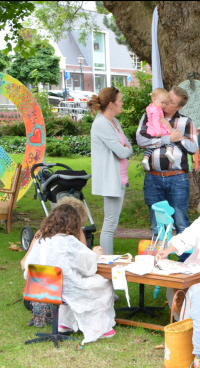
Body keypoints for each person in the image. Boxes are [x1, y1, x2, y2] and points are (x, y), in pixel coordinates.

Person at [22, 204, 116, 344]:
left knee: (70, 284)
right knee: (103, 282)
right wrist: (94, 255)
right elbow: (86, 266)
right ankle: (100, 328)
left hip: (38, 288)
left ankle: (64, 324)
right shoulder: (67, 240)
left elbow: (27, 265)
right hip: (61, 288)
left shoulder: (41, 239)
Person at [136, 86, 198, 261]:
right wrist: (168, 138)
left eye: (170, 102)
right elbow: (140, 140)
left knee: (181, 224)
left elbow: (193, 148)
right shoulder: (150, 115)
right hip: (153, 177)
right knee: (157, 225)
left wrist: (174, 133)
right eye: (166, 98)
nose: (165, 103)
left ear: (178, 107)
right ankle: (158, 267)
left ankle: (185, 267)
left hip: (177, 178)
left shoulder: (186, 122)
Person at [89, 86, 132, 256]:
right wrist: (126, 149)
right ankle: (106, 261)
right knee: (109, 225)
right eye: (120, 101)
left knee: (112, 223)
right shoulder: (101, 124)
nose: (122, 103)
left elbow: (128, 145)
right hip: (111, 179)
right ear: (112, 104)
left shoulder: (115, 122)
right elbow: (123, 151)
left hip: (120, 179)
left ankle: (107, 260)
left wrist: (125, 148)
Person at [141, 88, 175, 171]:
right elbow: (156, 122)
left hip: (151, 130)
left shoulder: (150, 108)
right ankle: (169, 151)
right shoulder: (156, 110)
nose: (164, 105)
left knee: (150, 147)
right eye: (162, 102)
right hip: (157, 130)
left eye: (165, 103)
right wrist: (159, 132)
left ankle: (145, 159)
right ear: (154, 99)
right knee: (170, 140)